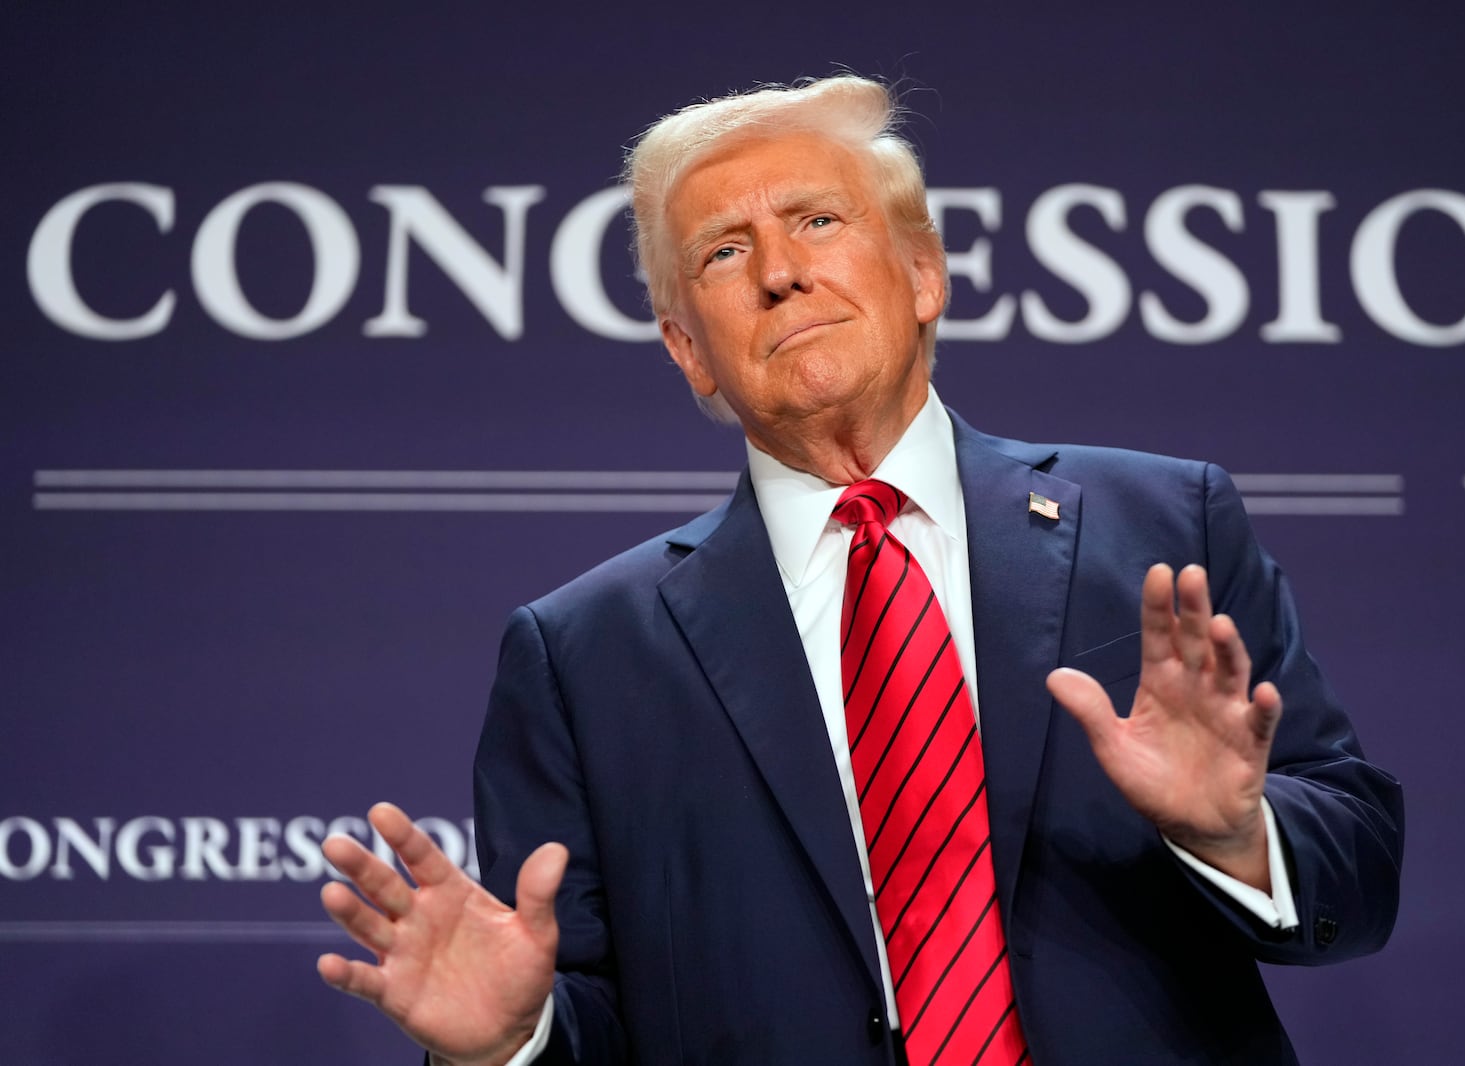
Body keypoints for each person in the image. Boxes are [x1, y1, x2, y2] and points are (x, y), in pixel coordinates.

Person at [318, 75, 1403, 1066]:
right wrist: (514, 1039)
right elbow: (587, 1014)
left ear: (922, 273)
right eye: (723, 253)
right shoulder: (582, 654)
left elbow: (1358, 873)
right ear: (687, 348)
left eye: (816, 222)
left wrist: (1234, 833)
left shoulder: (1165, 520)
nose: (781, 272)